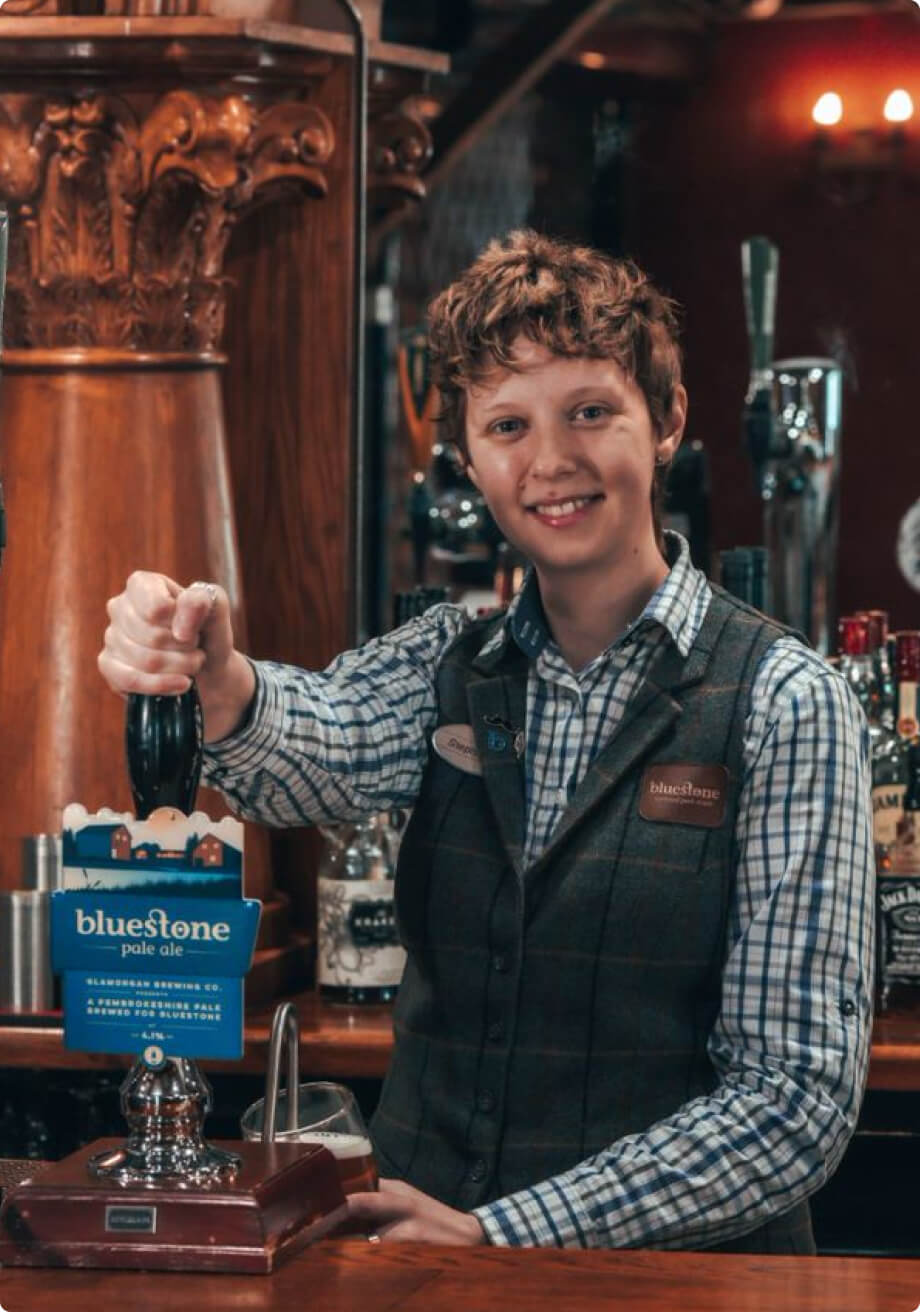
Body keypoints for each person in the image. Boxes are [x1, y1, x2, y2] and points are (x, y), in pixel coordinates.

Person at [98, 229, 874, 1253]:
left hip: (680, 1292)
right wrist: (218, 679)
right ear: (471, 459)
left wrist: (501, 1231)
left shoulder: (784, 700)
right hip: (425, 1275)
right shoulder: (442, 666)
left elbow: (791, 1106)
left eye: (589, 411)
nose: (550, 461)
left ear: (667, 422)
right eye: (507, 425)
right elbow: (312, 745)